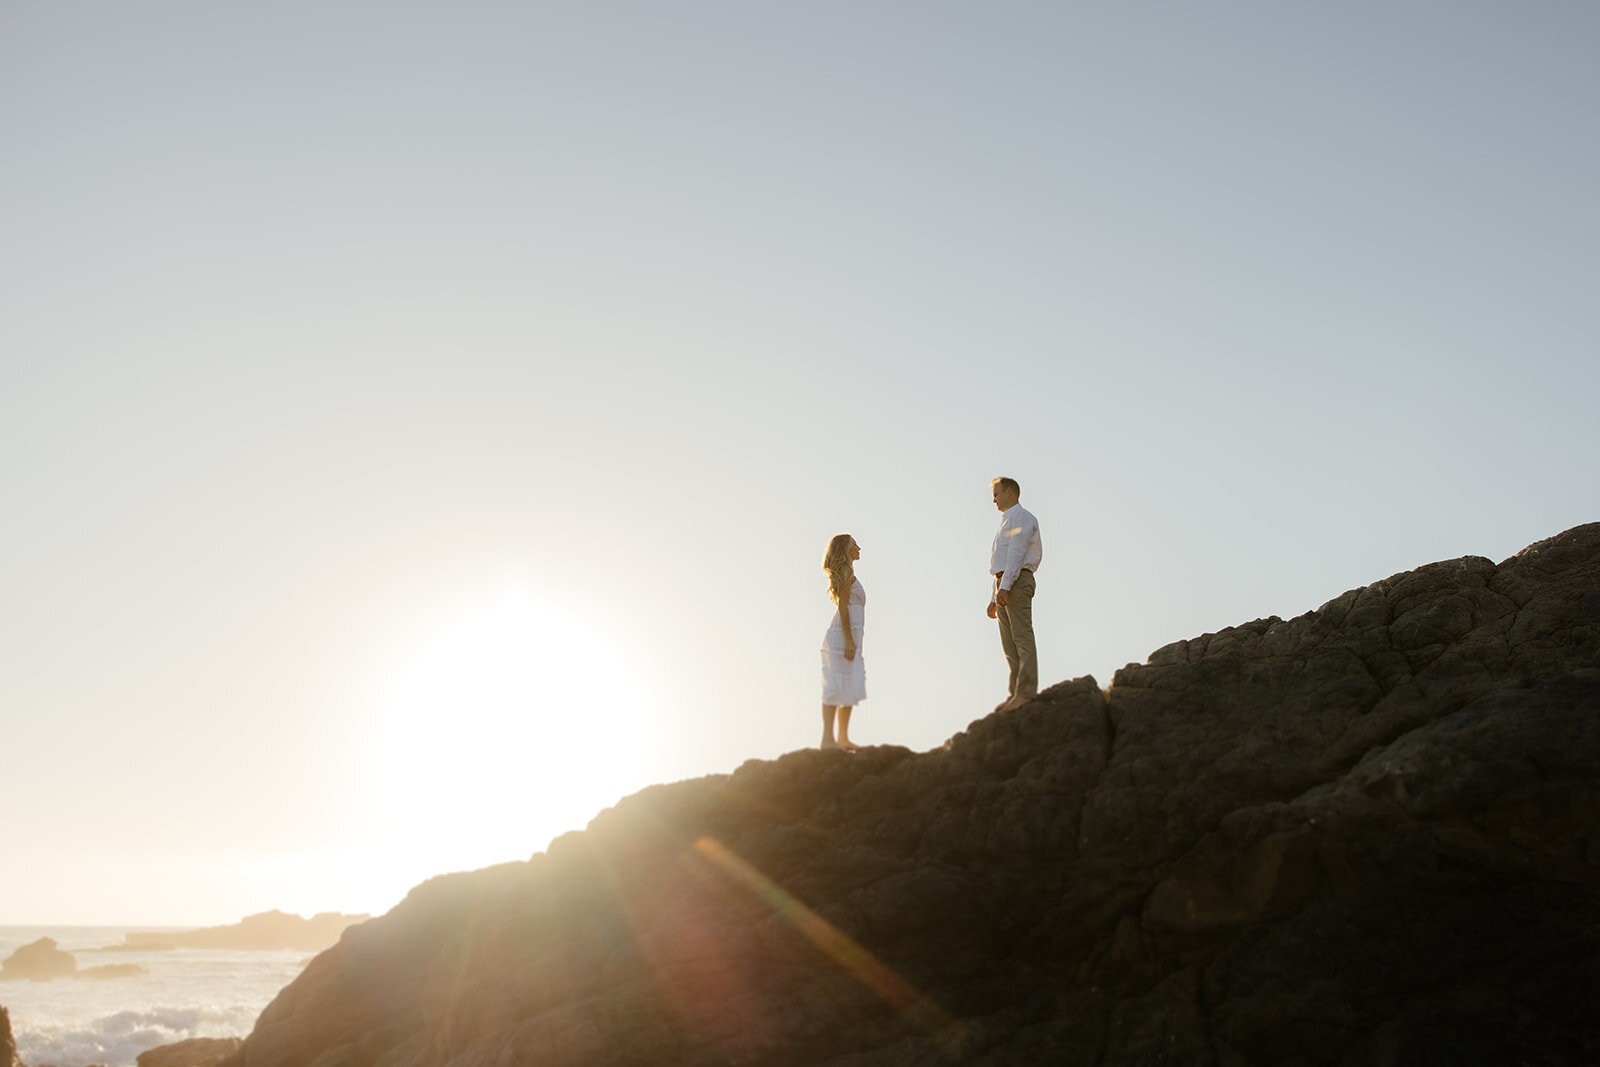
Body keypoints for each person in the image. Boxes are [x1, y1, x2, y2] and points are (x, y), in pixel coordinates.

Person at [987, 476, 1043, 712]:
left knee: (1022, 637)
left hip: (1017, 581)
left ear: (1009, 492)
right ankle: (1015, 694)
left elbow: (1017, 553)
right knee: (1009, 645)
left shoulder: (1021, 517)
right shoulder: (1006, 521)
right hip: (1005, 581)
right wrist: (994, 596)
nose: (994, 500)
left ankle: (1026, 693)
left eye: (997, 494)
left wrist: (1007, 587)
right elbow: (1000, 562)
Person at [819, 533, 866, 750]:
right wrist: (848, 640)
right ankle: (828, 739)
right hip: (843, 636)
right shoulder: (846, 573)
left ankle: (843, 738)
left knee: (849, 683)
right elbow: (843, 608)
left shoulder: (850, 573)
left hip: (852, 636)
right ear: (846, 549)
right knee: (836, 683)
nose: (859, 547)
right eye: (854, 544)